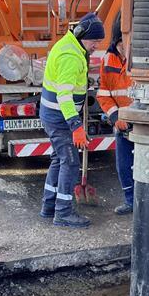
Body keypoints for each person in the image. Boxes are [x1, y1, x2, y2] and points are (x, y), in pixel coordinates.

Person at [39, 12, 106, 228]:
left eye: (98, 41)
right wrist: (76, 125)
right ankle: (63, 213)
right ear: (82, 35)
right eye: (94, 41)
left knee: (59, 160)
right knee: (69, 161)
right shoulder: (71, 57)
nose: (96, 45)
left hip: (53, 115)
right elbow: (64, 95)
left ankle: (49, 206)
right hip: (60, 117)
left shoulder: (71, 46)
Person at [97, 13, 134, 215]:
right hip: (122, 122)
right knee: (123, 165)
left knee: (146, 164)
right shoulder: (108, 59)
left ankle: (147, 200)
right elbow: (104, 93)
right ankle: (130, 201)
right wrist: (115, 117)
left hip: (142, 120)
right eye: (120, 43)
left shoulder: (141, 59)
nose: (124, 47)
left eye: (126, 43)